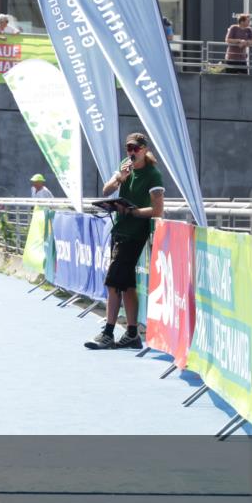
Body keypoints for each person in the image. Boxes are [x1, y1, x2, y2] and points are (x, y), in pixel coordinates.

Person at [85, 133, 165, 350]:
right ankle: (132, 334)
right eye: (128, 148)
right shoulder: (125, 166)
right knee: (127, 286)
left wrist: (133, 212)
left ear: (145, 150)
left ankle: (108, 333)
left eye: (135, 148)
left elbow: (158, 210)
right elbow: (106, 190)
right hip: (120, 231)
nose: (131, 152)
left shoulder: (153, 175)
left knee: (112, 283)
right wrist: (120, 178)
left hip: (134, 235)